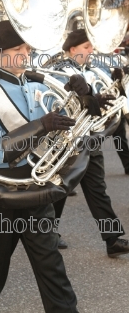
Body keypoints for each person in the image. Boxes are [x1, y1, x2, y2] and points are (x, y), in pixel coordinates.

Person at [0, 20, 92, 313]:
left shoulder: (34, 83)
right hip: (1, 194)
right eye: (17, 48)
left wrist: (77, 96)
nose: (26, 53)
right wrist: (39, 126)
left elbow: (58, 130)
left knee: (53, 271)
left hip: (35, 190)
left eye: (27, 47)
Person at [50, 28, 129, 257]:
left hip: (91, 138)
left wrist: (119, 78)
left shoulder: (93, 68)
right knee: (59, 191)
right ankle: (49, 234)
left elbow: (108, 93)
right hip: (67, 141)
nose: (91, 51)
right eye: (86, 47)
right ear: (72, 49)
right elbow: (59, 104)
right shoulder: (59, 72)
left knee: (98, 191)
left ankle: (112, 239)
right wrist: (89, 97)